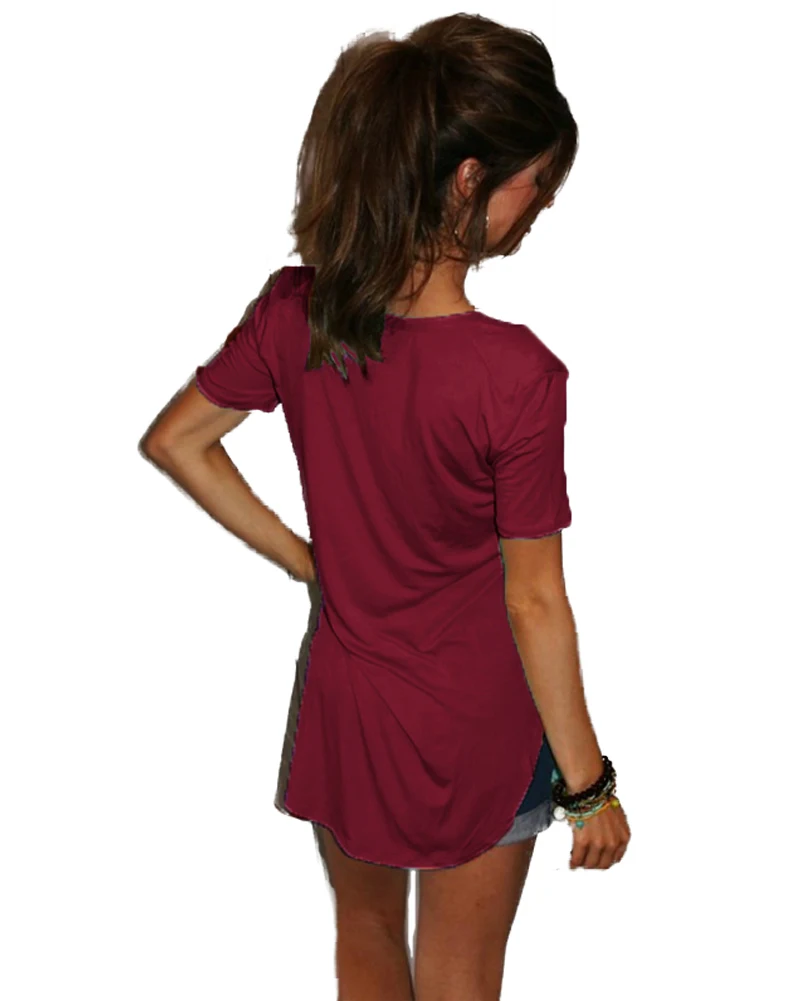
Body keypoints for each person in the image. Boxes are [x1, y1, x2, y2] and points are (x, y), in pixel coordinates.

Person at [141, 13, 631, 1001]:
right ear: (467, 179)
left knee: (363, 941)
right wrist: (589, 787)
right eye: (535, 180)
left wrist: (307, 558)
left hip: (348, 704)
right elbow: (533, 600)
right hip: (477, 724)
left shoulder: (296, 313)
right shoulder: (514, 375)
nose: (540, 204)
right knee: (458, 975)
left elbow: (178, 441)